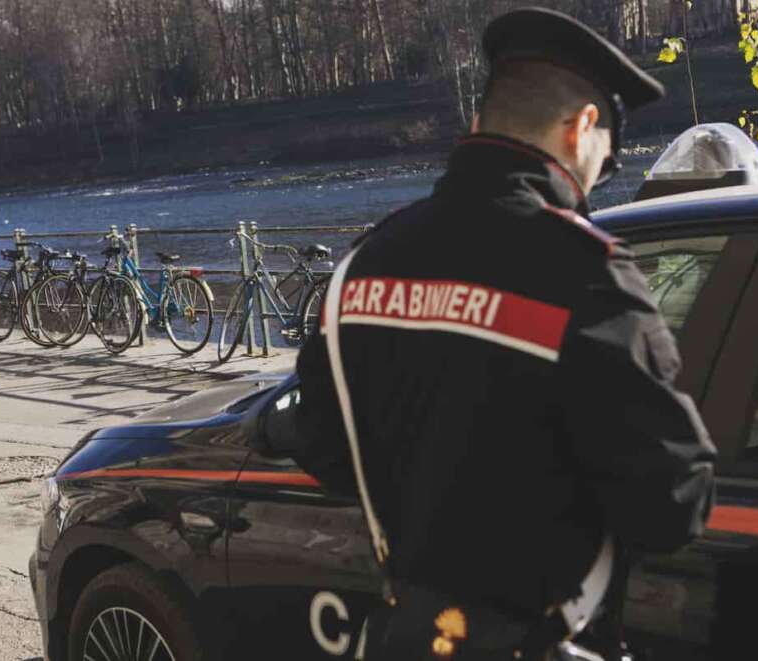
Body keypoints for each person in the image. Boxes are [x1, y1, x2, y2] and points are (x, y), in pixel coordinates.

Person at [294, 7, 717, 658]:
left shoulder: (364, 263)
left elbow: (324, 447)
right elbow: (670, 505)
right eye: (606, 164)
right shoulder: (585, 274)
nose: (597, 181)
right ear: (581, 128)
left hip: (412, 635)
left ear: (477, 123)